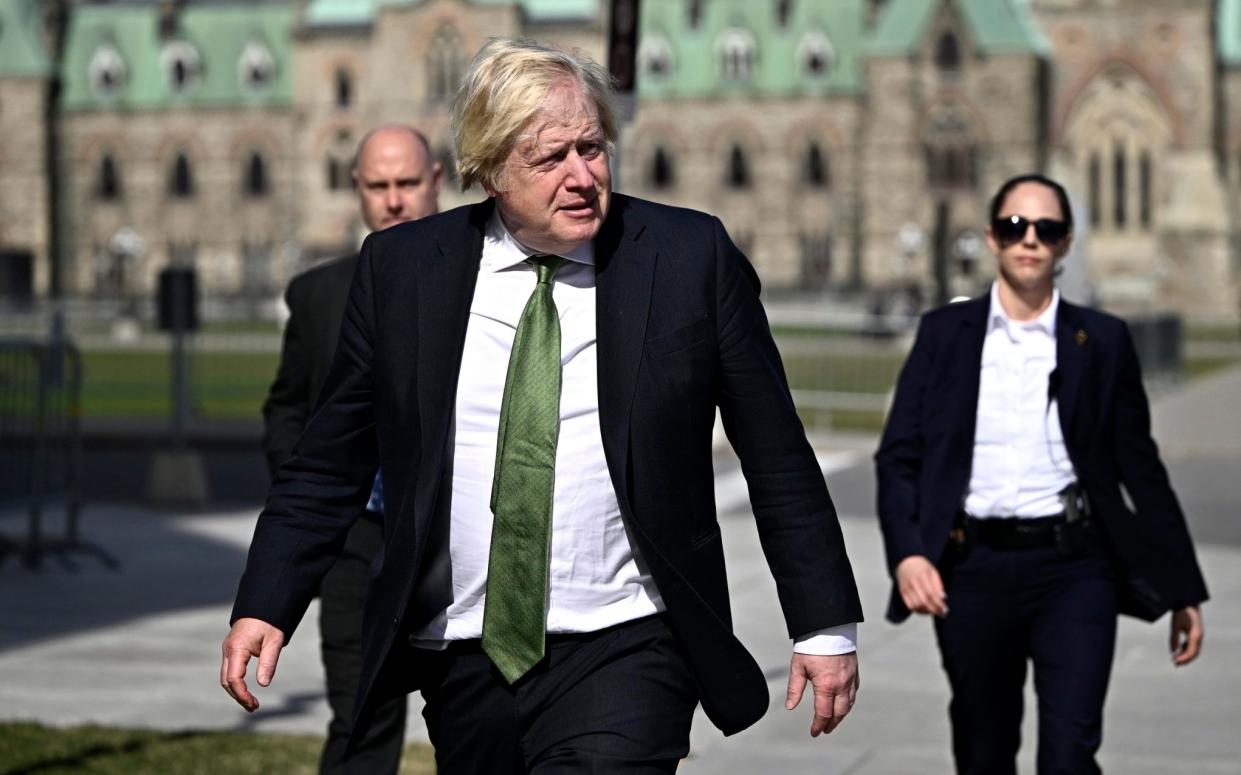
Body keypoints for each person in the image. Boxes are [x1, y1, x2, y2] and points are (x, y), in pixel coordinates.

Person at [222, 38, 862, 773]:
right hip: (463, 649)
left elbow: (775, 451)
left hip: (631, 637)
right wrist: (267, 599)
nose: (581, 176)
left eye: (591, 148)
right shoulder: (403, 272)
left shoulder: (686, 257)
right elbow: (327, 462)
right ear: (491, 169)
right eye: (549, 157)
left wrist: (822, 622)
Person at [875, 172, 1208, 774]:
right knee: (983, 751)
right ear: (993, 238)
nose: (1029, 239)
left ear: (1065, 244)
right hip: (970, 570)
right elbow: (899, 454)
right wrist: (907, 554)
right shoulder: (945, 334)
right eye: (1014, 226)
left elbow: (1142, 468)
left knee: (1069, 755)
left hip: (1074, 569)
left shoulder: (1102, 340)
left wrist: (1183, 587)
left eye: (1046, 228)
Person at [260, 124, 442, 773]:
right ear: (359, 191)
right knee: (362, 712)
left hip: (454, 539)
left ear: (437, 183)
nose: (394, 200)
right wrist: (311, 499)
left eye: (407, 184)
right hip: (354, 540)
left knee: (485, 720)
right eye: (379, 186)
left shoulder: (484, 284)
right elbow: (286, 409)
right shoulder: (316, 296)